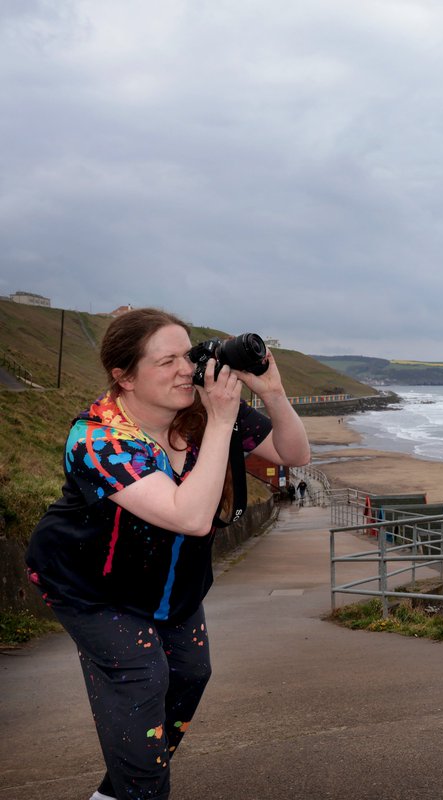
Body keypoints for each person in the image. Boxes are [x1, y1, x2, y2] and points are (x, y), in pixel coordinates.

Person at [25, 307, 311, 800]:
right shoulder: (98, 439)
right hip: (92, 588)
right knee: (142, 679)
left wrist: (272, 392)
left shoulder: (200, 410)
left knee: (190, 675)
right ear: (124, 377)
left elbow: (293, 454)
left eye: (189, 354)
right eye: (167, 361)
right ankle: (139, 787)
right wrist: (220, 424)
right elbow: (190, 517)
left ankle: (120, 786)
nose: (186, 369)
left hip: (170, 587)